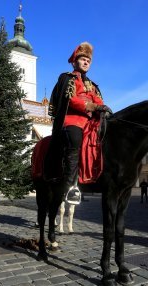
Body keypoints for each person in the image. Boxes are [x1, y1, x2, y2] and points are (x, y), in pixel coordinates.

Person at [46, 42, 112, 204]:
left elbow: (97, 100)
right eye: (82, 59)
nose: (85, 62)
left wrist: (103, 107)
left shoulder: (92, 85)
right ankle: (70, 187)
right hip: (72, 120)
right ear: (75, 61)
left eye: (88, 60)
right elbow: (70, 99)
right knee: (75, 140)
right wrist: (92, 106)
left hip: (89, 122)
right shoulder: (67, 78)